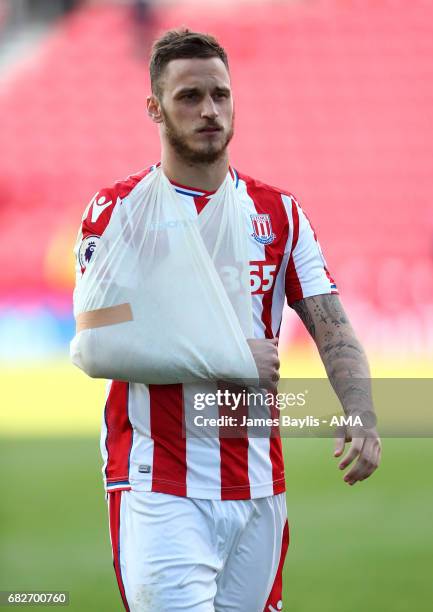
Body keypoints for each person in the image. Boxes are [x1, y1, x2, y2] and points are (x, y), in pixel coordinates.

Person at [73, 28, 381, 612]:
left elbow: (332, 325)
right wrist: (229, 357)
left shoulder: (279, 214)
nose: (209, 110)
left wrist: (361, 412)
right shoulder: (121, 213)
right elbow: (97, 344)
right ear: (154, 107)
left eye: (220, 94)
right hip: (161, 484)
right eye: (189, 96)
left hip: (261, 486)